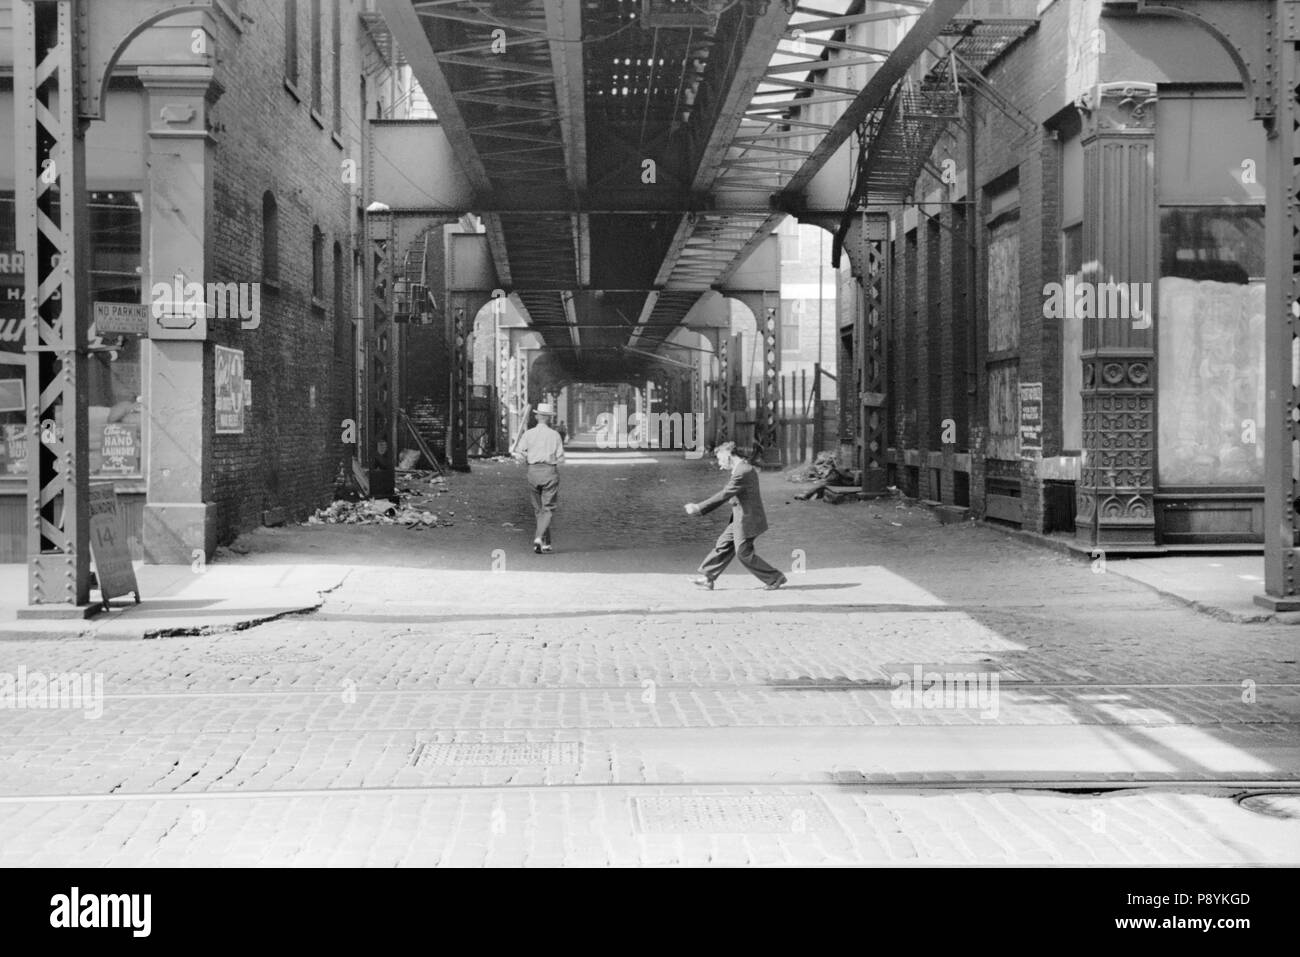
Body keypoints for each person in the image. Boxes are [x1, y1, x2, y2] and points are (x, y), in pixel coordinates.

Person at [684, 440, 786, 590]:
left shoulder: (743, 471)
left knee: (743, 554)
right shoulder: (741, 469)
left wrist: (698, 508)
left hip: (747, 519)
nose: (719, 464)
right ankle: (708, 577)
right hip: (740, 518)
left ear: (728, 455)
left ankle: (775, 578)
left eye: (720, 459)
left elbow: (724, 494)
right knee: (723, 544)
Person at [513, 402, 565, 553]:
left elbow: (520, 454)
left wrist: (529, 459)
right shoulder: (555, 435)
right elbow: (560, 457)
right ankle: (538, 537)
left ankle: (546, 542)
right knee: (547, 509)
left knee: (539, 510)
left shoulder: (528, 434)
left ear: (536, 417)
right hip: (549, 472)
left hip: (533, 472)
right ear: (549, 419)